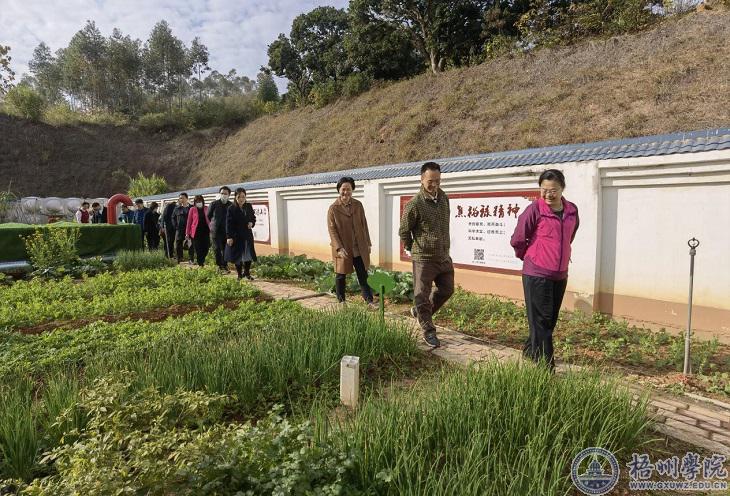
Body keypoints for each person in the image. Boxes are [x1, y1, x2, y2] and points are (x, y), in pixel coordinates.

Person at [510, 169, 580, 371]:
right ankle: (546, 367)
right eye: (544, 190)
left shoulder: (572, 210)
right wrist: (530, 256)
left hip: (560, 274)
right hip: (536, 273)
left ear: (562, 188)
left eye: (553, 190)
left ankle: (530, 350)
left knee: (549, 321)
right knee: (541, 321)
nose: (548, 194)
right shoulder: (535, 210)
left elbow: (569, 236)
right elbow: (518, 238)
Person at [398, 162, 454, 348]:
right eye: (430, 181)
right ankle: (428, 330)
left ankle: (420, 312)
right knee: (422, 295)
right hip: (423, 258)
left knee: (447, 289)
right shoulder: (414, 204)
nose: (434, 184)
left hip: (443, 256)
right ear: (422, 180)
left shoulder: (444, 198)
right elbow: (404, 230)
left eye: (438, 180)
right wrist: (411, 247)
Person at [327, 177, 375, 307]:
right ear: (339, 190)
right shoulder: (333, 208)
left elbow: (364, 224)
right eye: (343, 189)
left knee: (363, 274)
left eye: (348, 189)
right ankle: (341, 302)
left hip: (358, 247)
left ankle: (369, 300)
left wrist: (368, 243)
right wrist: (339, 247)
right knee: (340, 275)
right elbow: (332, 230)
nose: (346, 192)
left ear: (352, 190)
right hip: (343, 248)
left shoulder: (358, 205)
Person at [225, 187, 257, 280]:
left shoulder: (248, 206)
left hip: (247, 235)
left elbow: (253, 218)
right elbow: (228, 224)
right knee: (238, 256)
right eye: (239, 197)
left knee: (248, 255)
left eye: (243, 197)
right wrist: (229, 237)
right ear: (235, 197)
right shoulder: (231, 208)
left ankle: (247, 273)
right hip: (237, 236)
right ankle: (239, 274)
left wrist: (252, 223)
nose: (241, 199)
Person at [207, 186, 232, 271]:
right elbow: (208, 215)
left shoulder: (231, 205)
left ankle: (225, 265)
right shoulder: (214, 204)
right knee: (217, 249)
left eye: (225, 193)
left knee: (226, 250)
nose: (223, 195)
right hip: (215, 231)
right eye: (222, 193)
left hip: (227, 231)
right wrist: (214, 223)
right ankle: (219, 266)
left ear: (229, 195)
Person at [186, 195, 211, 266]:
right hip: (196, 232)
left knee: (206, 247)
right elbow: (189, 221)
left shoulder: (207, 208)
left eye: (200, 201)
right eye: (197, 201)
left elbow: (211, 218)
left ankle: (201, 260)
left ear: (203, 201)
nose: (198, 202)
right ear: (195, 202)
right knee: (198, 248)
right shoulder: (192, 209)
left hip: (205, 231)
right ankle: (200, 263)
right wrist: (187, 233)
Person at [172, 193, 194, 264]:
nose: (181, 199)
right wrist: (176, 226)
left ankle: (191, 259)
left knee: (190, 244)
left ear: (187, 198)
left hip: (189, 229)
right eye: (180, 198)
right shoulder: (177, 208)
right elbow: (173, 218)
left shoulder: (192, 208)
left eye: (183, 198)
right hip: (179, 229)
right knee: (178, 243)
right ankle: (179, 258)